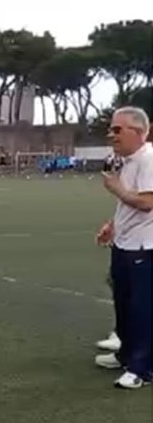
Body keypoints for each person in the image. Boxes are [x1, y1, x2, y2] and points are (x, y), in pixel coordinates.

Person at [94, 106, 153, 390]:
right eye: (110, 129)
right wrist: (112, 225)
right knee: (124, 305)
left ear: (139, 131)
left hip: (145, 247)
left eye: (117, 129)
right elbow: (128, 202)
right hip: (124, 244)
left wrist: (115, 187)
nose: (111, 135)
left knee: (143, 309)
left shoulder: (149, 159)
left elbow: (147, 202)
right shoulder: (127, 161)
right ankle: (126, 355)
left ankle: (143, 369)